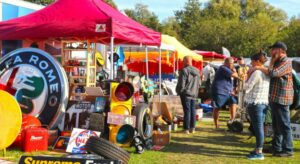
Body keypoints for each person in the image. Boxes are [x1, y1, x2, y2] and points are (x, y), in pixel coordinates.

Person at [254, 41, 294, 157]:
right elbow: (269, 70)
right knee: (276, 125)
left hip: (282, 98)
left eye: (274, 49)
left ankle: (288, 150)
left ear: (281, 50)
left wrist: (259, 67)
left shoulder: (286, 61)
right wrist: (267, 63)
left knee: (284, 125)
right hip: (276, 97)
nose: (272, 52)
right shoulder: (277, 61)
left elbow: (273, 73)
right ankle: (276, 147)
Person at [244, 51, 269, 160]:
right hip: (263, 102)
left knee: (258, 128)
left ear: (258, 61)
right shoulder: (266, 72)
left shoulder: (256, 73)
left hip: (255, 102)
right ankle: (258, 149)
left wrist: (247, 76)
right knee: (259, 127)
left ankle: (259, 152)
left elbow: (247, 87)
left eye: (253, 61)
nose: (251, 63)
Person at [211, 57, 240, 129]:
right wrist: (235, 71)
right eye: (231, 63)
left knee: (233, 103)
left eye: (233, 63)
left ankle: (232, 121)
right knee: (217, 107)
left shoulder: (228, 69)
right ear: (227, 63)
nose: (233, 65)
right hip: (220, 91)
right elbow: (235, 76)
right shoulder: (223, 68)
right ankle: (216, 124)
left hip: (228, 91)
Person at [176, 56, 200, 134]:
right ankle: (192, 128)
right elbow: (199, 84)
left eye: (183, 61)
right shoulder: (197, 71)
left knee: (187, 111)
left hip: (186, 93)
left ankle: (186, 129)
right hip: (194, 93)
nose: (182, 62)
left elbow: (181, 84)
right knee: (192, 111)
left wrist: (180, 91)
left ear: (186, 61)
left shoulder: (184, 70)